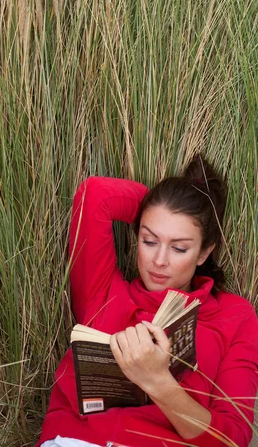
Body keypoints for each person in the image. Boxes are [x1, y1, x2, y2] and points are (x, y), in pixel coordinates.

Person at [36, 155, 258, 447]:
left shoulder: (235, 316)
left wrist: (157, 381)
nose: (159, 260)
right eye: (149, 240)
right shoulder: (104, 291)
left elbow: (232, 439)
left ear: (204, 254)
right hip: (77, 440)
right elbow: (96, 195)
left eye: (179, 248)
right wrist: (157, 204)